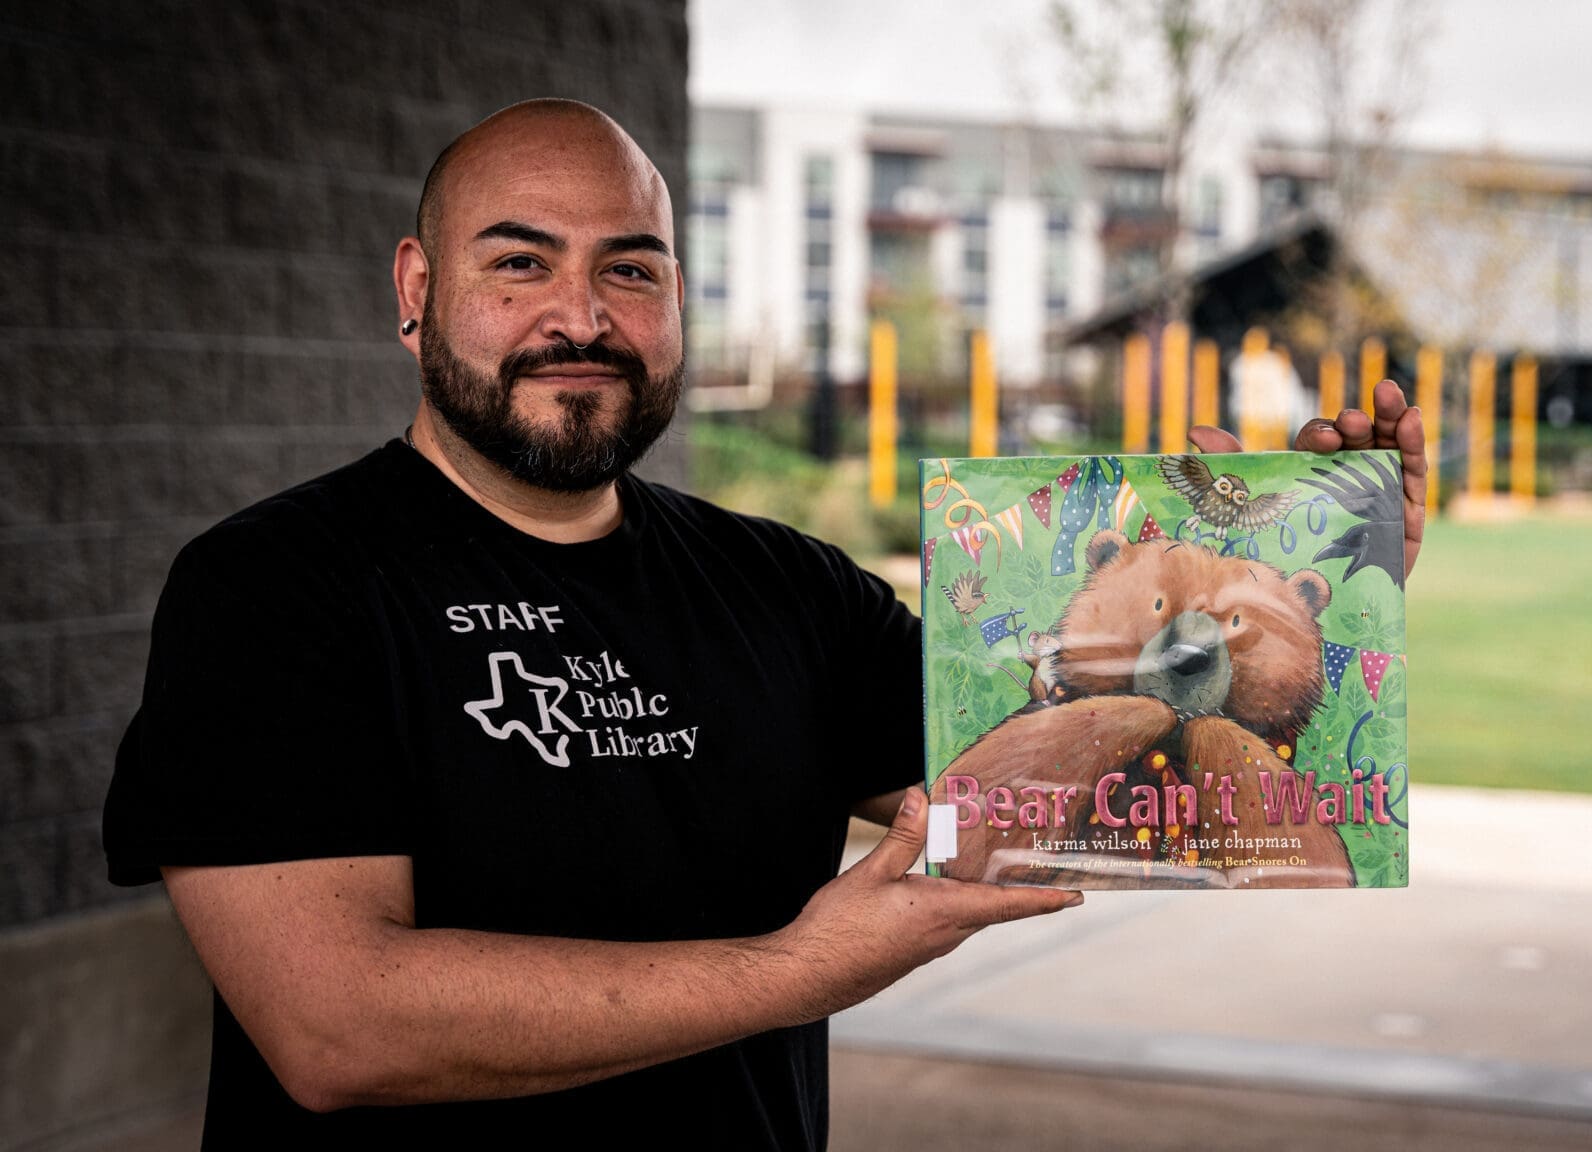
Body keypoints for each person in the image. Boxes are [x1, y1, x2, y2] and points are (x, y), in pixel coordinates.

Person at [101, 99, 1429, 1147]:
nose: (581, 316)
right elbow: (336, 1030)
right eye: (521, 262)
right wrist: (803, 967)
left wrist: (1295, 598)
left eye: (630, 269)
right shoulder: (275, 588)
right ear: (414, 287)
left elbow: (1101, 788)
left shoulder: (788, 590)